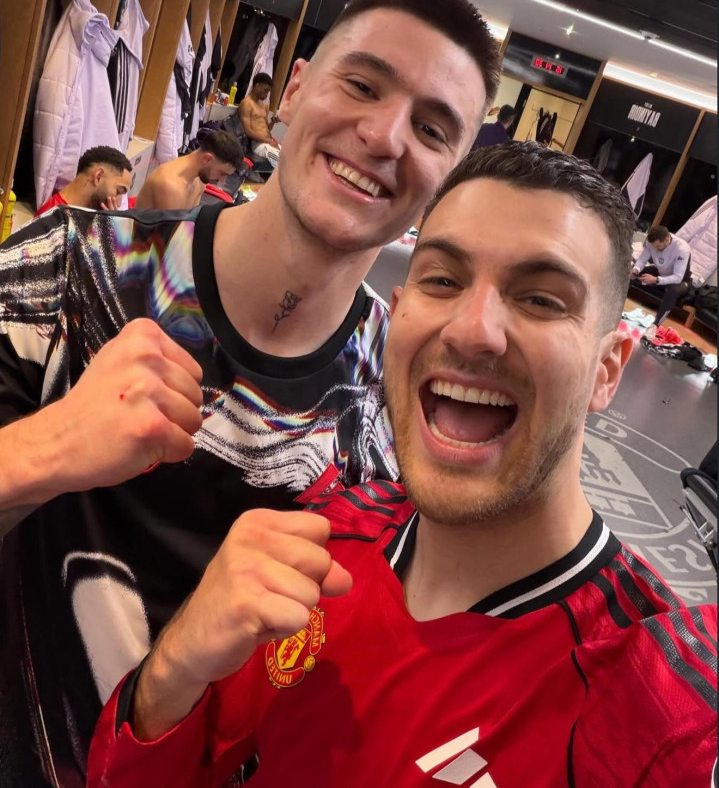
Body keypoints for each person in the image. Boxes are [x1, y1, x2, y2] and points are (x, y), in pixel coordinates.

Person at [88, 142, 718, 788]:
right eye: (442, 280)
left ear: (607, 369)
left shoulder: (653, 700)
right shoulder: (324, 536)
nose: (471, 330)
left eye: (540, 299)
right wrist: (172, 669)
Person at [0, 0, 499, 786]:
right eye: (361, 85)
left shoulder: (405, 415)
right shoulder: (68, 267)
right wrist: (44, 450)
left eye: (432, 129)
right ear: (294, 89)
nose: (384, 136)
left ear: (447, 176)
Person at [134, 129, 245, 210]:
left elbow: (189, 223)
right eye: (222, 173)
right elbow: (169, 234)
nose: (222, 181)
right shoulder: (170, 185)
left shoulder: (200, 180)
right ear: (207, 159)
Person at [630, 224, 692, 340]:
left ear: (667, 240)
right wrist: (635, 270)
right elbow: (642, 260)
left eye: (658, 246)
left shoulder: (682, 248)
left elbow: (678, 277)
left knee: (672, 290)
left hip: (680, 281)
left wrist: (656, 280)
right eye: (654, 247)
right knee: (631, 273)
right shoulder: (651, 243)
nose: (656, 249)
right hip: (661, 273)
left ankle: (655, 325)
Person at [35, 146, 133, 216]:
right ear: (98, 176)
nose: (119, 204)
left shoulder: (84, 215)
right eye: (119, 191)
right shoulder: (53, 218)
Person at [238, 71, 281, 168]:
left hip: (269, 142)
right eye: (265, 90)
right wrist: (269, 141)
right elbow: (248, 131)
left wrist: (273, 122)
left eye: (268, 92)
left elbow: (266, 129)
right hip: (258, 145)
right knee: (283, 164)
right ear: (257, 86)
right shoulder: (246, 104)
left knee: (290, 158)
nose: (266, 95)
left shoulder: (264, 105)